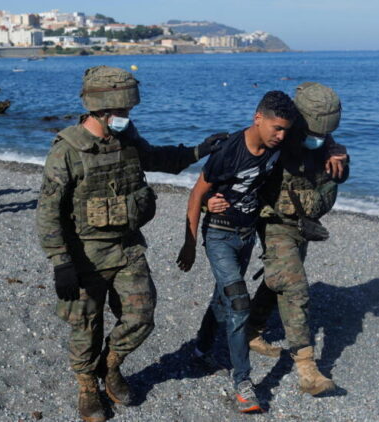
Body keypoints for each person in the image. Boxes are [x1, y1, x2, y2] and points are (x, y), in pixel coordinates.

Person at [36, 65, 222, 422]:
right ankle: (87, 386)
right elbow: (48, 213)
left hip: (127, 247)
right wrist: (61, 262)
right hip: (85, 255)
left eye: (127, 112)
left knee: (141, 315)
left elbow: (155, 159)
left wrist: (199, 149)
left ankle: (111, 365)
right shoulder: (68, 150)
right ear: (102, 109)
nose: (127, 117)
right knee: (85, 326)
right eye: (122, 112)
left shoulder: (126, 137)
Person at [218, 82, 349, 396]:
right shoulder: (277, 136)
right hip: (274, 221)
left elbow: (332, 173)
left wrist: (339, 158)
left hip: (303, 224)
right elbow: (241, 155)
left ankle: (252, 329)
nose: (318, 137)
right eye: (314, 131)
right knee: (294, 284)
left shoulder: (322, 141)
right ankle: (308, 369)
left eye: (324, 132)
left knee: (277, 278)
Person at [176, 91, 298, 414]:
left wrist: (334, 153)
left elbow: (314, 142)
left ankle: (201, 351)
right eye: (276, 128)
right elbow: (196, 192)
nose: (281, 135)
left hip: (246, 237)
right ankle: (243, 383)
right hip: (219, 235)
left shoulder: (279, 142)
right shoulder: (230, 151)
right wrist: (189, 243)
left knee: (223, 298)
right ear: (258, 118)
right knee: (240, 302)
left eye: (286, 129)